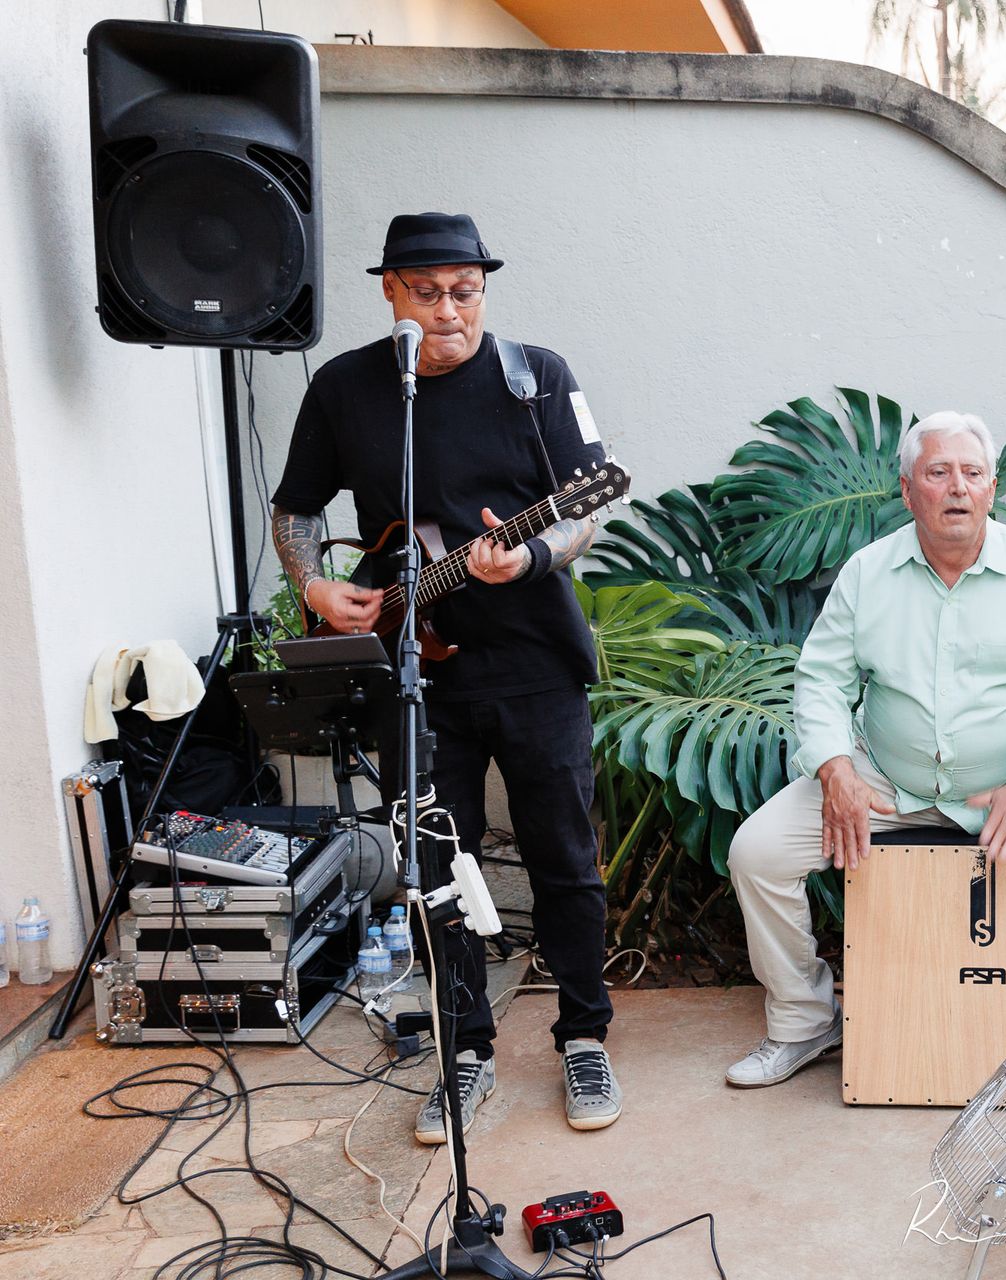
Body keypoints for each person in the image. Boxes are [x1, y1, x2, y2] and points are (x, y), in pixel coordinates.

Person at [270, 212, 621, 1142]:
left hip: (536, 660)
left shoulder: (535, 376)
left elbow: (587, 508)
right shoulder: (348, 389)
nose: (449, 310)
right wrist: (314, 584)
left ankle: (584, 1037)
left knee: (562, 856)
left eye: (465, 290)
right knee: (435, 867)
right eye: (427, 292)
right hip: (414, 667)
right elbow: (295, 507)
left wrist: (535, 554)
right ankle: (465, 1051)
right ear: (390, 292)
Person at [722, 411, 1006, 1087]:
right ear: (908, 492)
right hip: (884, 782)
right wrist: (834, 769)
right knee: (757, 854)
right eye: (938, 473)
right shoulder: (869, 573)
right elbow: (821, 681)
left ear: (992, 489)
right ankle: (805, 1023)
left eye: (972, 473)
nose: (956, 487)